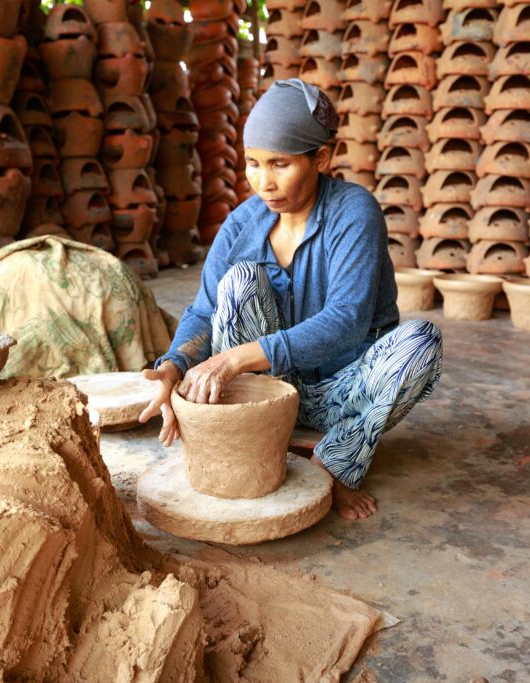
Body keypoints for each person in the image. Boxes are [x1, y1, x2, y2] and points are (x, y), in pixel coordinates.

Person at [139, 79, 443, 520]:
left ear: (321, 158)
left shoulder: (354, 211)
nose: (264, 182)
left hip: (346, 388)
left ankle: (337, 463)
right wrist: (172, 367)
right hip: (270, 387)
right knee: (239, 281)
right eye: (253, 165)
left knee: (421, 343)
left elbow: (348, 319)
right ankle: (251, 439)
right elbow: (204, 311)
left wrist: (234, 360)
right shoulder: (243, 222)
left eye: (280, 164)